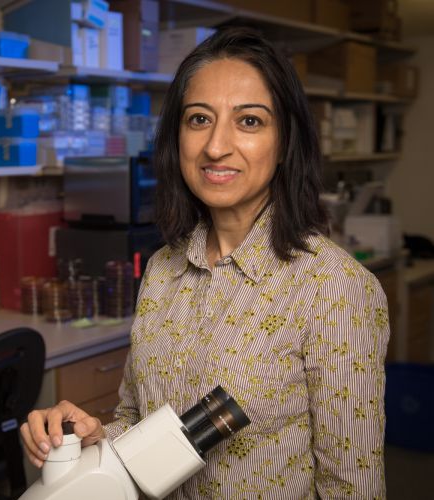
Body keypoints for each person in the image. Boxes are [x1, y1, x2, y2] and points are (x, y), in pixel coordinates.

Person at [21, 27, 390, 499]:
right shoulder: (162, 270)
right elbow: (137, 422)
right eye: (199, 119)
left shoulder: (333, 289)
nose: (216, 146)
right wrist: (94, 436)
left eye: (249, 122)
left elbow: (352, 489)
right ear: (177, 137)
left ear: (285, 142)